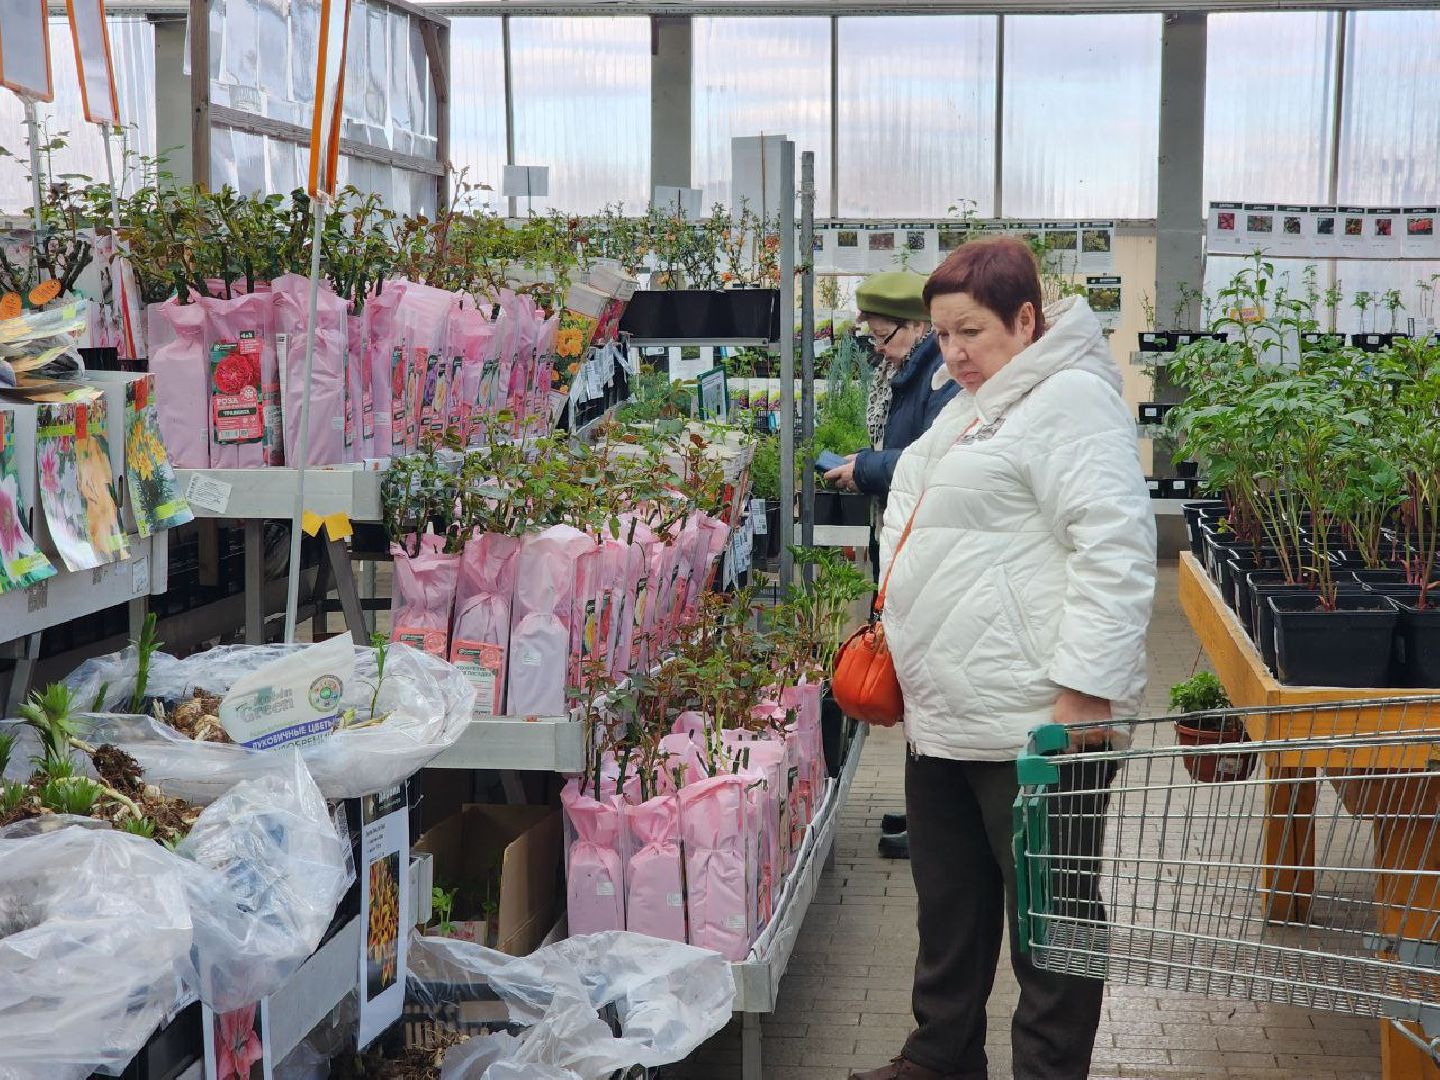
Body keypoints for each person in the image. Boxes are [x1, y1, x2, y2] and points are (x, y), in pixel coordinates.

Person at [850, 237, 1155, 1080]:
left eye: (971, 332)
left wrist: (1085, 696)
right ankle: (941, 1055)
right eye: (942, 334)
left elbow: (1117, 550)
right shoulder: (974, 402)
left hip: (1036, 725)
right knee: (950, 906)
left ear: (1027, 320)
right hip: (945, 714)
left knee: (1050, 923)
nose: (953, 353)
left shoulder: (1069, 404)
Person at [823, 270, 958, 861]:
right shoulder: (905, 370)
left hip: (924, 545)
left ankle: (937, 822)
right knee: (914, 676)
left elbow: (929, 460)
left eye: (884, 336)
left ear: (919, 325)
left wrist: (869, 467)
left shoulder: (939, 377)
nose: (876, 349)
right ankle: (927, 809)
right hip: (899, 535)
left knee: (927, 681)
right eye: (872, 337)